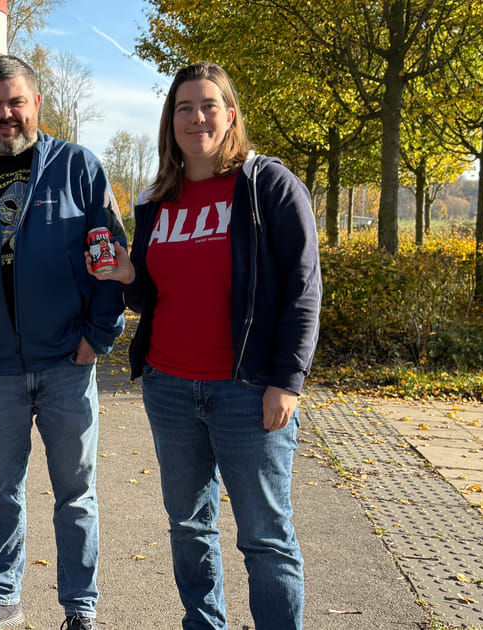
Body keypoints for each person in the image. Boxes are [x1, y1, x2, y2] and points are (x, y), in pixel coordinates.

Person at [0, 55, 125, 630]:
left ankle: (79, 607)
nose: (4, 114)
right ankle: (1, 593)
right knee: (0, 493)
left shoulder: (80, 167)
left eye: (14, 101)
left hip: (66, 363)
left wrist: (98, 338)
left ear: (37, 102)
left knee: (75, 494)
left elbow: (111, 256)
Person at [117, 61, 321, 630]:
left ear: (230, 114)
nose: (196, 117)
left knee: (264, 536)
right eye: (184, 107)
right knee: (188, 525)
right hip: (170, 387)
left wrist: (288, 381)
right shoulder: (156, 200)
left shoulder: (268, 187)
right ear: (170, 121)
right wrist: (127, 276)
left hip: (248, 390)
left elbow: (303, 289)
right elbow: (147, 299)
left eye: (208, 105)